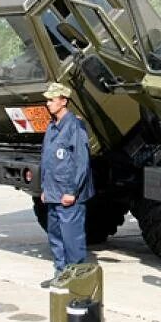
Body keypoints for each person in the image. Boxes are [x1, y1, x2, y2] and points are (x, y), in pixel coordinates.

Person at [39, 82, 95, 288]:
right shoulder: (52, 127)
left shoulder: (75, 126)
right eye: (48, 100)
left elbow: (81, 162)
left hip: (68, 195)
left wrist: (71, 191)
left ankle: (76, 280)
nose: (48, 104)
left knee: (72, 240)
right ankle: (60, 275)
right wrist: (44, 189)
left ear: (64, 101)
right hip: (53, 193)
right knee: (56, 238)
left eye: (52, 100)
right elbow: (47, 160)